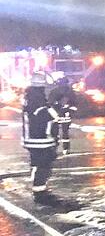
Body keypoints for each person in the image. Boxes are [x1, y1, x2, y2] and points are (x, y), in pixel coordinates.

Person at [22, 74, 61, 204]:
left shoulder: (30, 99)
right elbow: (51, 118)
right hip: (41, 141)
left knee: (37, 164)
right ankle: (40, 192)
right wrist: (54, 107)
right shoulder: (39, 102)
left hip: (32, 140)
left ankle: (38, 189)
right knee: (43, 165)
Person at [47, 78, 77, 156]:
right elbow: (74, 104)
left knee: (54, 133)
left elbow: (49, 103)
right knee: (65, 133)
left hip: (55, 115)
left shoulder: (54, 91)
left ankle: (54, 148)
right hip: (66, 116)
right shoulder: (70, 92)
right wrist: (70, 112)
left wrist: (54, 113)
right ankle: (66, 149)